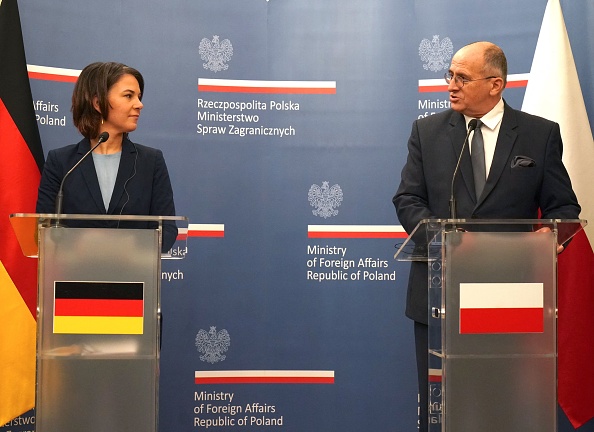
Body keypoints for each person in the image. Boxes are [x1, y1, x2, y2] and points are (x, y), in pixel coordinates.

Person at [392, 41, 580, 431]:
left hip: (510, 300)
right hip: (440, 296)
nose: (451, 85)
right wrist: (445, 244)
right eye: (450, 75)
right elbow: (408, 199)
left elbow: (564, 210)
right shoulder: (426, 133)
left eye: (463, 77)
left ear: (496, 85)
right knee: (443, 412)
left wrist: (546, 237)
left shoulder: (538, 136)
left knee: (505, 408)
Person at [36, 61, 178, 252]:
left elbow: (167, 230)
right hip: (74, 277)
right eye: (129, 96)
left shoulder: (151, 161)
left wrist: (128, 248)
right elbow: (42, 230)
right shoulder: (61, 162)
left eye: (139, 96)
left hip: (134, 277)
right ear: (97, 103)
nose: (139, 104)